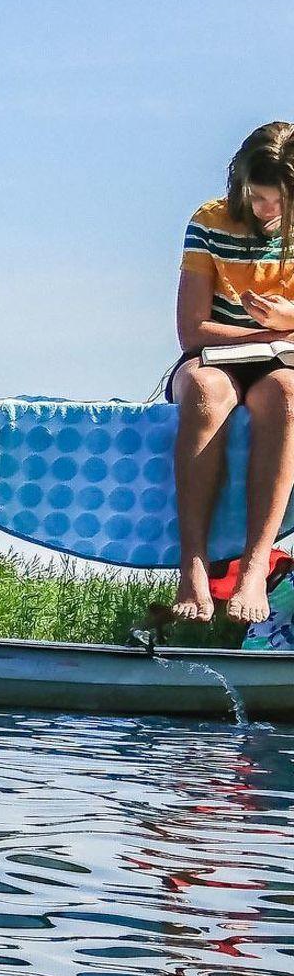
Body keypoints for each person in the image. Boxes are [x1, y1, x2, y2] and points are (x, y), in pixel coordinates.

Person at [169, 122, 294, 624]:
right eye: (259, 198)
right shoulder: (210, 221)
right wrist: (265, 335)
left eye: (280, 200)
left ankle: (256, 565)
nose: (268, 211)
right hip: (215, 356)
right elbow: (192, 330)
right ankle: (191, 564)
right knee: (203, 391)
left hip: (281, 363)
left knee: (287, 394)